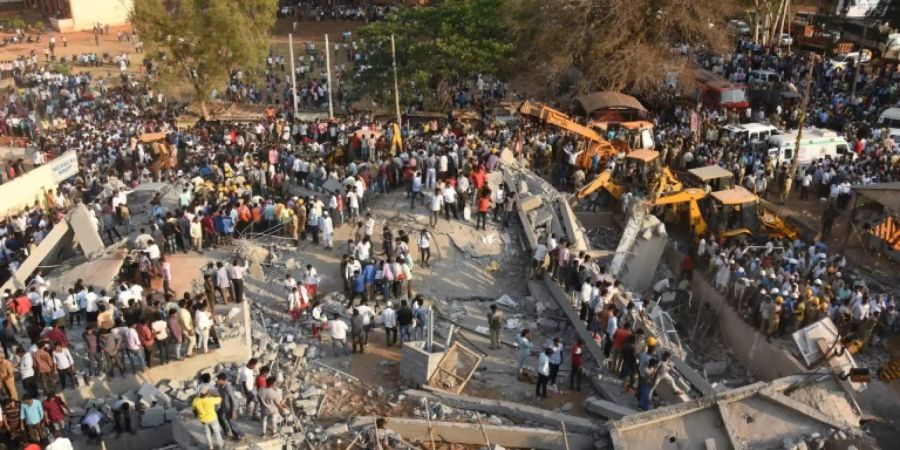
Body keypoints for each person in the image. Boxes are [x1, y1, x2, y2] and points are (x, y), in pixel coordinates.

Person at [192, 385, 224, 449]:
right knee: (217, 432)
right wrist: (213, 393)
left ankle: (210, 446)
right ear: (207, 393)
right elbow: (220, 399)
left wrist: (196, 415)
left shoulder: (195, 400)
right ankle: (220, 445)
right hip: (212, 418)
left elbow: (194, 409)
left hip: (203, 419)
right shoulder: (210, 400)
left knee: (207, 432)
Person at [216, 373, 244, 441]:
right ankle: (232, 434)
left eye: (219, 380)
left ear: (223, 380)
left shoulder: (228, 387)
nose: (218, 381)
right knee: (224, 420)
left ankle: (241, 435)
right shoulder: (220, 386)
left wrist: (233, 412)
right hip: (224, 407)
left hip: (230, 408)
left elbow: (233, 400)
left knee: (233, 423)